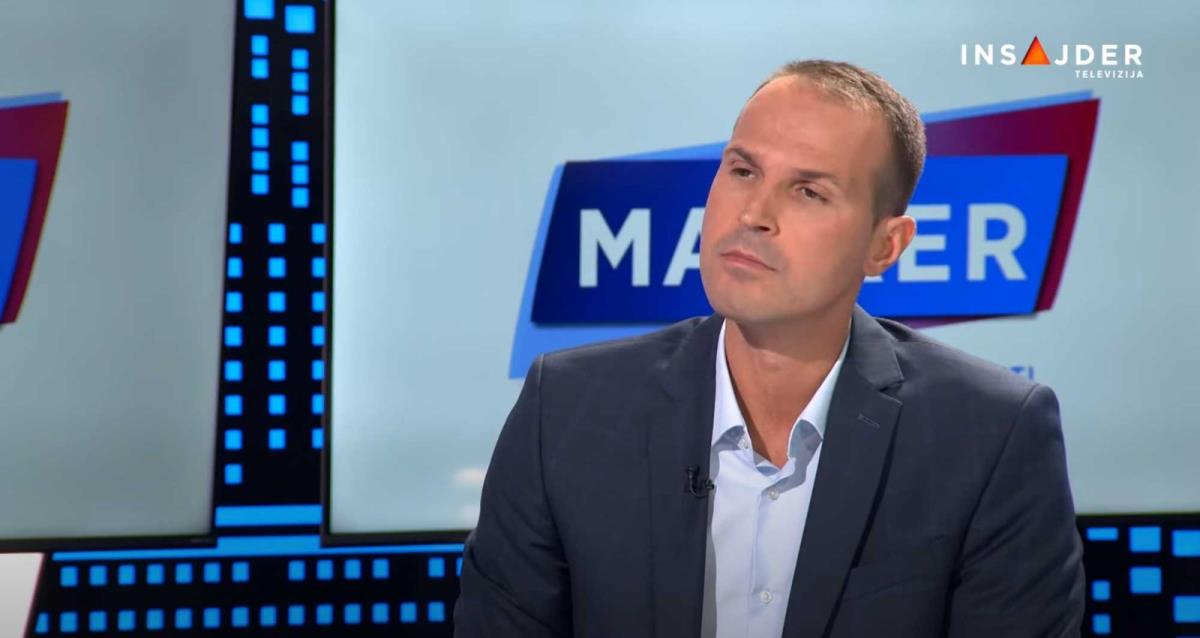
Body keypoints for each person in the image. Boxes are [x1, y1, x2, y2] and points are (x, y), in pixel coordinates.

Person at [454, 59, 1084, 637]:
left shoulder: (991, 436)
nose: (753, 213)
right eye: (743, 170)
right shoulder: (566, 411)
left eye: (808, 191)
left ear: (884, 246)